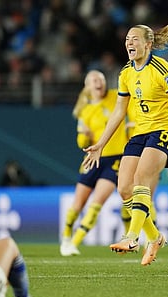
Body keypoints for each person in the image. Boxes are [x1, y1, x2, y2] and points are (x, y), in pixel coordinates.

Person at [82, 23, 168, 266]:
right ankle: (154, 237)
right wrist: (101, 144)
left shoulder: (162, 69)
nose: (129, 43)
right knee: (124, 188)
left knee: (141, 179)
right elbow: (118, 112)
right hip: (140, 133)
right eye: (127, 39)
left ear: (148, 44)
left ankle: (132, 237)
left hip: (165, 129)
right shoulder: (126, 73)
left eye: (134, 39)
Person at [60, 70, 129, 257]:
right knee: (77, 204)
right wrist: (85, 137)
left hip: (115, 158)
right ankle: (66, 236)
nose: (99, 82)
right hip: (92, 159)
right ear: (88, 87)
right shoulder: (85, 111)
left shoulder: (117, 97)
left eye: (101, 78)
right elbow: (81, 143)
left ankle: (74, 243)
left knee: (97, 203)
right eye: (94, 80)